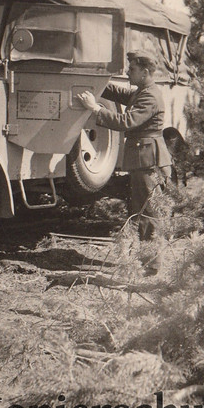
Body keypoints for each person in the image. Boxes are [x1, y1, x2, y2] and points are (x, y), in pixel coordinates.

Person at [77, 50, 171, 274]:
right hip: (143, 159)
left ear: (145, 72)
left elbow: (127, 121)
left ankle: (151, 267)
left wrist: (96, 108)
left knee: (148, 213)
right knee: (143, 210)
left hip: (148, 162)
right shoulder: (143, 91)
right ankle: (147, 262)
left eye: (132, 69)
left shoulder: (149, 96)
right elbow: (118, 93)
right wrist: (98, 79)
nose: (128, 72)